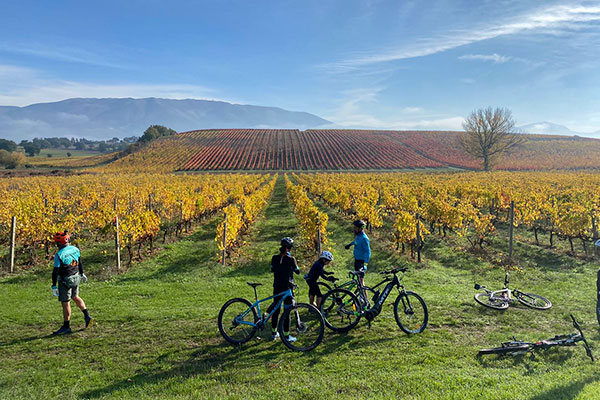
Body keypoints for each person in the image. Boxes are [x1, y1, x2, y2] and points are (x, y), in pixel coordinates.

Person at [51, 231, 93, 335]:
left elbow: (55, 271)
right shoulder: (75, 249)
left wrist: (54, 285)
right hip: (76, 277)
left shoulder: (59, 255)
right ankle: (87, 316)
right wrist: (82, 273)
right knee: (76, 296)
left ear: (58, 243)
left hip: (65, 280)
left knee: (66, 303)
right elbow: (80, 262)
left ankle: (66, 326)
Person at [267, 237, 299, 342]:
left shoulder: (274, 258)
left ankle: (273, 333)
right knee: (287, 311)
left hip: (277, 286)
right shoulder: (291, 259)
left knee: (276, 310)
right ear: (290, 248)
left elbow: (272, 269)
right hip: (287, 287)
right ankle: (286, 336)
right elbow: (297, 271)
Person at [345, 220, 371, 285]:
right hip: (357, 260)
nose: (354, 229)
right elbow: (356, 242)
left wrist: (365, 265)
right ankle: (359, 294)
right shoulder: (358, 236)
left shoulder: (364, 238)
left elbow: (368, 252)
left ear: (360, 228)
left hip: (361, 262)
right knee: (357, 280)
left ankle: (364, 295)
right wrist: (350, 244)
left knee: (361, 281)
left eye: (355, 228)